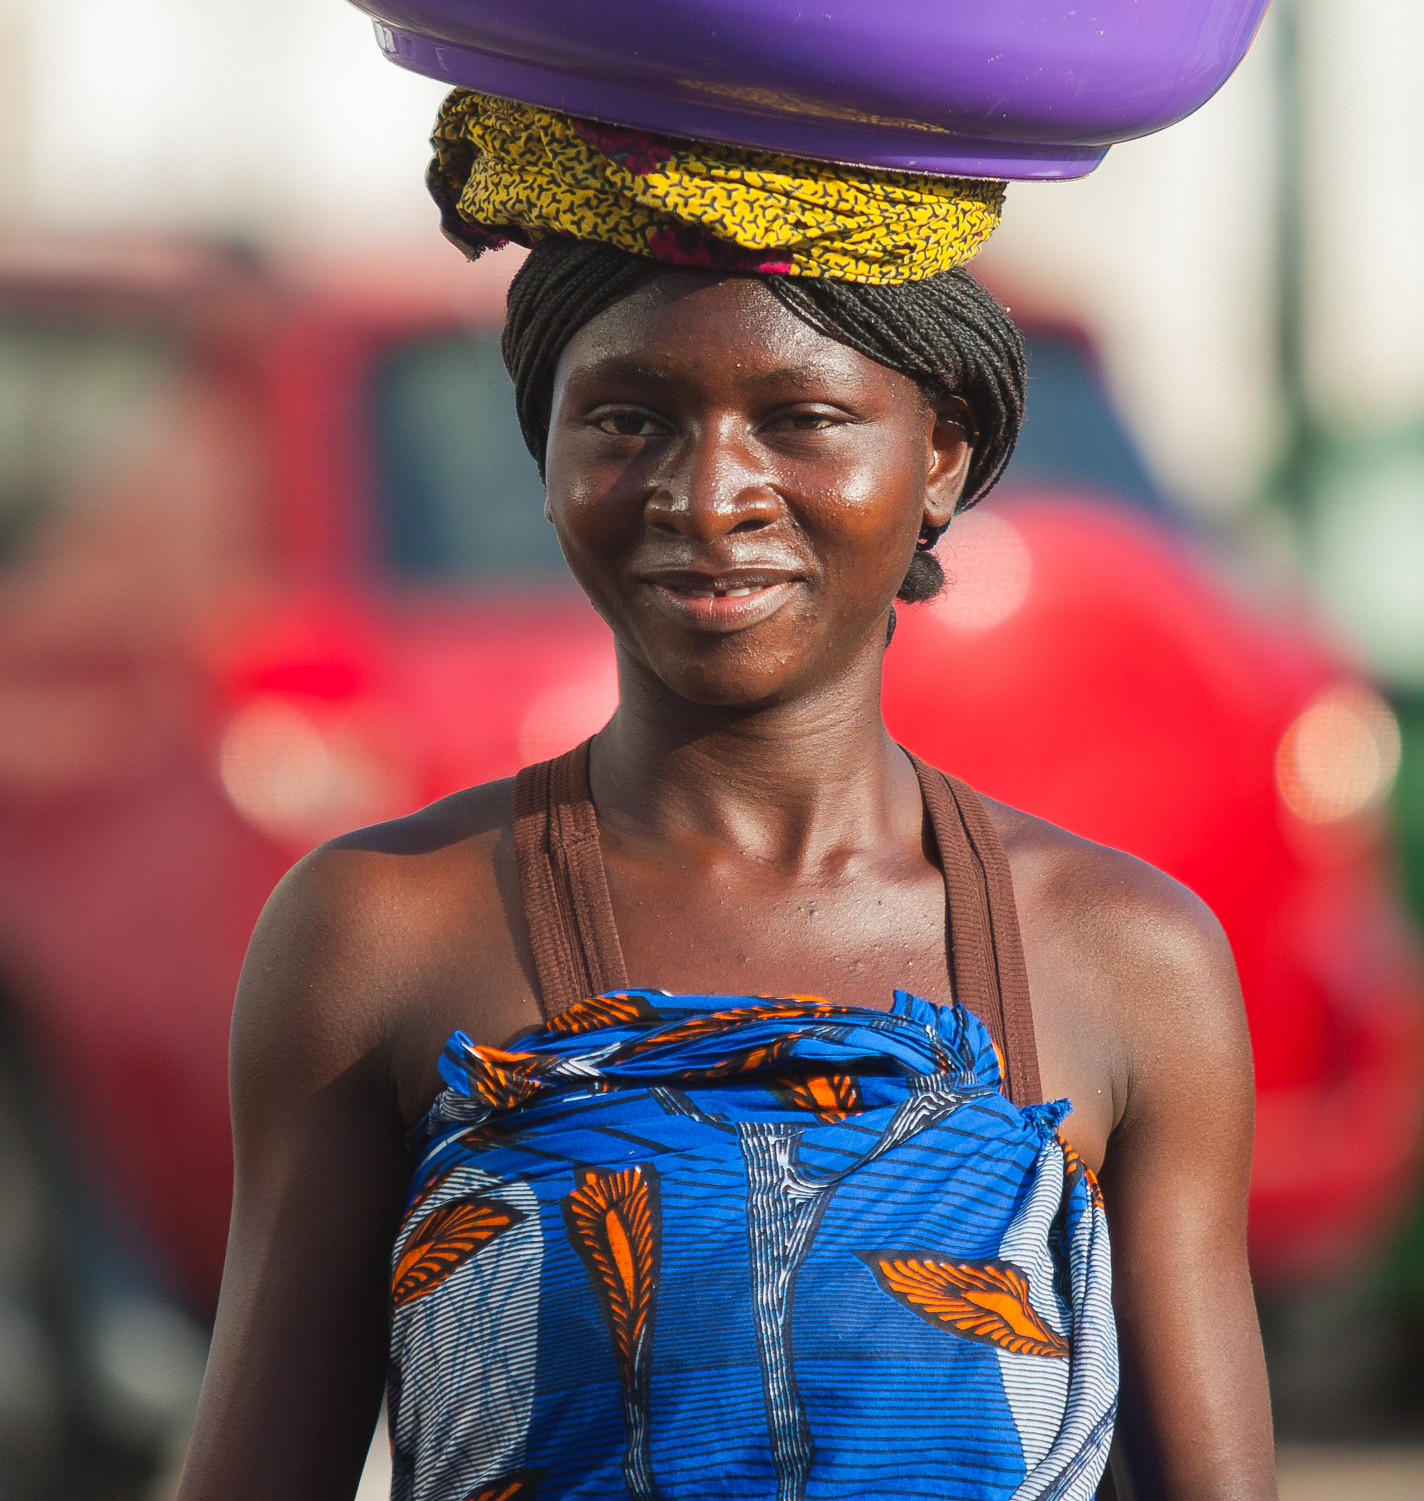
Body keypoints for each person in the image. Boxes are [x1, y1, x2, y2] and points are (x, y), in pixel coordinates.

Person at [177, 97, 1276, 1501]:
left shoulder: (1126, 961)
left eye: (800, 420)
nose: (708, 497)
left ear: (939, 459)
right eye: (627, 420)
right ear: (547, 452)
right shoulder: (379, 933)